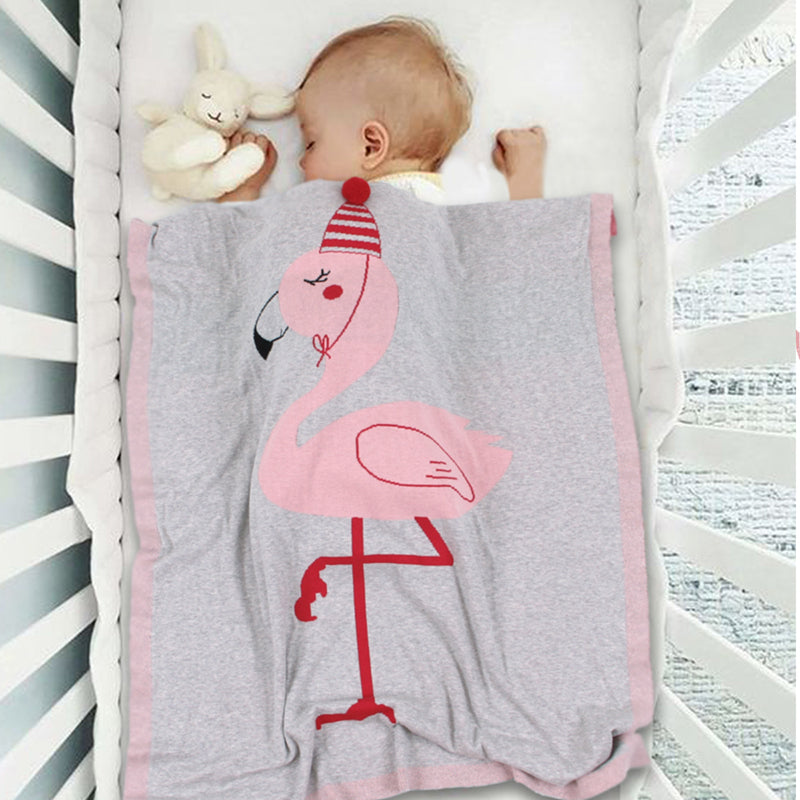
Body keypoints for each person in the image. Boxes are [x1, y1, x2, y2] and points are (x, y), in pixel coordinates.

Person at [218, 16, 546, 205]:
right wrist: (524, 180)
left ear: (371, 145)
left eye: (312, 143)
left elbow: (501, 268)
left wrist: (240, 195)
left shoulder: (445, 205)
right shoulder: (450, 206)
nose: (300, 162)